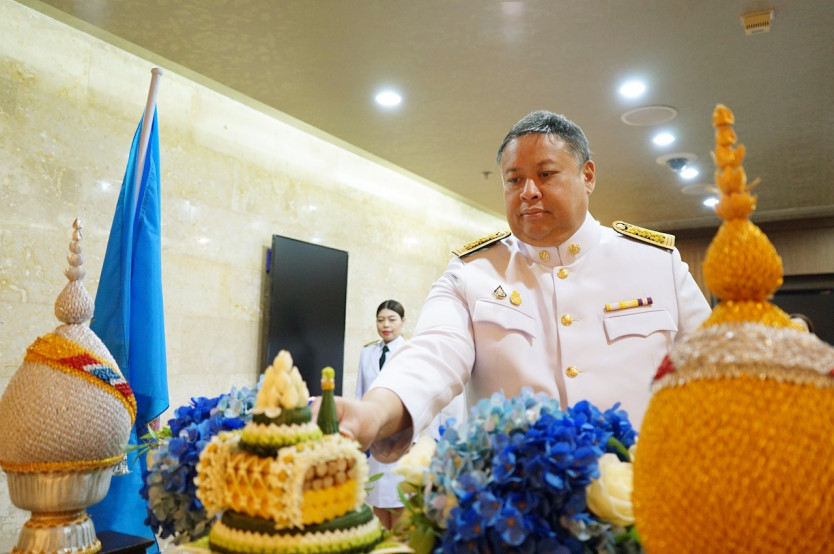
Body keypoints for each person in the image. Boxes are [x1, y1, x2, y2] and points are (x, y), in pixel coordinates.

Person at [333, 110, 712, 463]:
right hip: (513, 513)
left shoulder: (656, 263)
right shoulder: (473, 271)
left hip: (643, 505)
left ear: (588, 176)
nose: (528, 191)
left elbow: (714, 373)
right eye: (514, 180)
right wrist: (371, 412)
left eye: (546, 174)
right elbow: (434, 354)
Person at [355, 300, 408, 529]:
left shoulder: (411, 353)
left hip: (401, 438)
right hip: (374, 439)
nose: (386, 325)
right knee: (376, 501)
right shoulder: (367, 352)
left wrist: (415, 439)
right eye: (381, 319)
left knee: (399, 503)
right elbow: (360, 394)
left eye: (392, 319)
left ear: (402, 322)